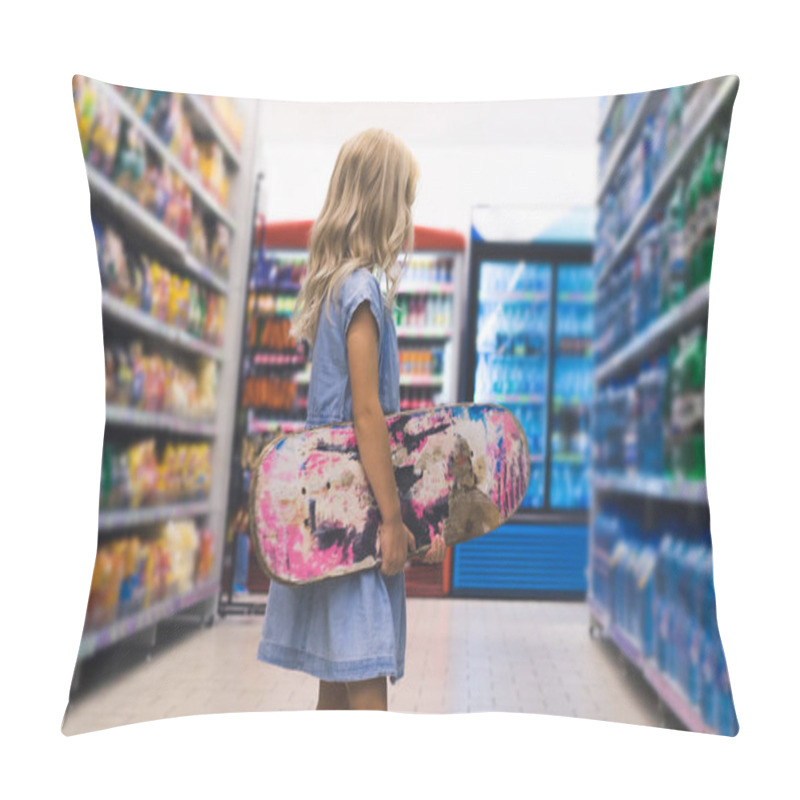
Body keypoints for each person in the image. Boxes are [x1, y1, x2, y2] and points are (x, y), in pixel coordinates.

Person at [257, 128, 447, 711]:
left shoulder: (335, 287)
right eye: (405, 200)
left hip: (328, 511)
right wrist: (395, 518)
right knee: (364, 685)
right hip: (360, 515)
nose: (409, 216)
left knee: (335, 691)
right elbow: (368, 413)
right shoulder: (363, 292)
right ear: (385, 203)